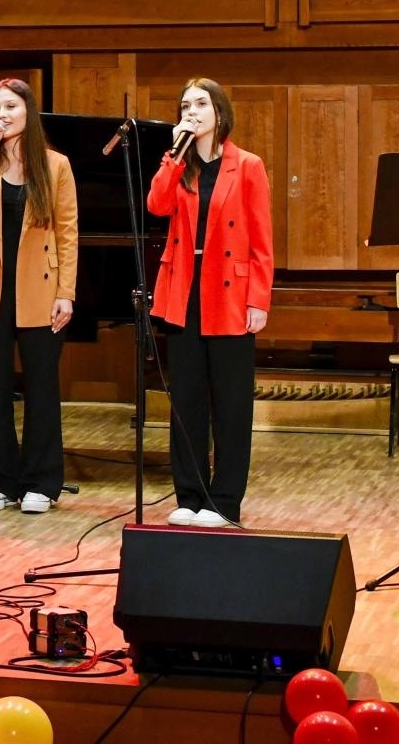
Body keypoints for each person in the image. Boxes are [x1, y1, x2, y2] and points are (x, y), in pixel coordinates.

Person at [146, 78, 274, 528]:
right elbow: (156, 205)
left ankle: (224, 501)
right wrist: (173, 155)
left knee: (232, 405)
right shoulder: (179, 164)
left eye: (201, 104)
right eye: (184, 105)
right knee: (187, 400)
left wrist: (259, 298)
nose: (192, 111)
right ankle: (190, 494)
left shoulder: (248, 166)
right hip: (184, 289)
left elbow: (261, 239)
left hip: (232, 293)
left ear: (219, 112)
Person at [0, 79, 79, 514]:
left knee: (42, 387)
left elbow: (67, 233)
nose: (2, 114)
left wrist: (67, 292)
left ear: (29, 111)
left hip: (41, 287)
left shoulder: (56, 165)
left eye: (11, 106)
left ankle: (41, 481)